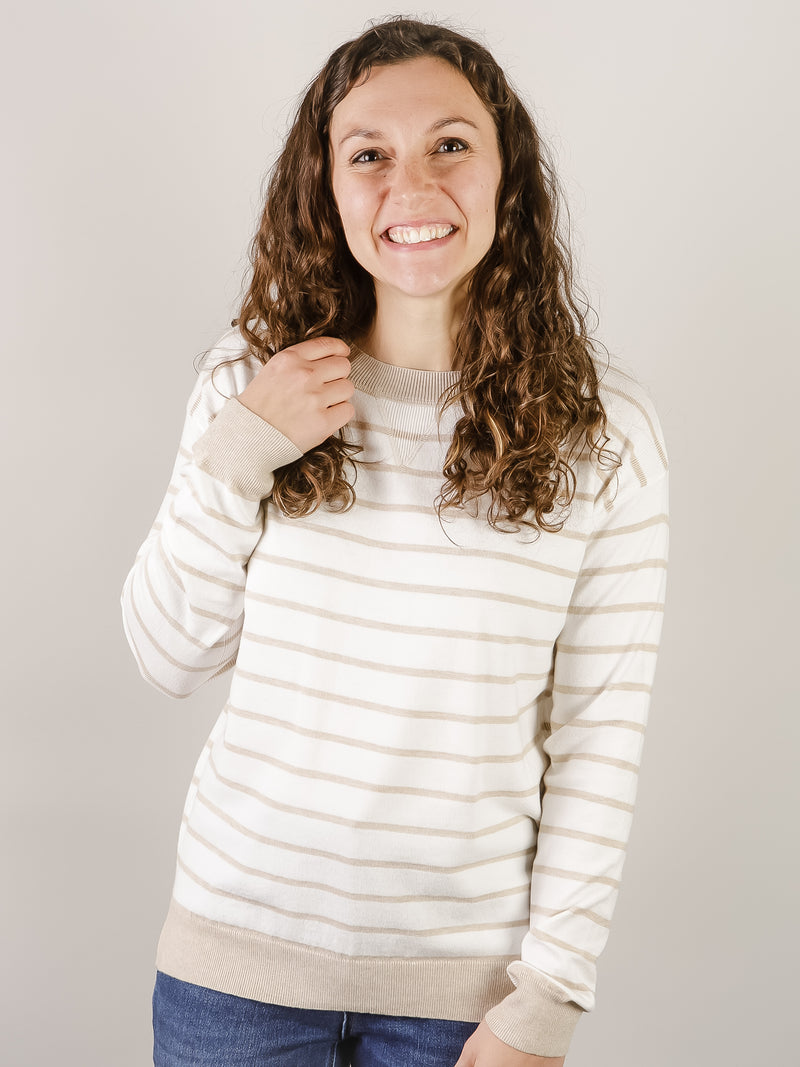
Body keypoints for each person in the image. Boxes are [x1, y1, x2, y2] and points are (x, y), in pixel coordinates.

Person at [121, 16, 668, 1067]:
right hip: (232, 975)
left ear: (508, 175)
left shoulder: (605, 433)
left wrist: (545, 996)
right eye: (368, 153)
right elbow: (165, 654)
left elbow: (600, 733)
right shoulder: (253, 380)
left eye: (450, 145)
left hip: (463, 1002)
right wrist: (240, 453)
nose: (410, 186)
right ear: (324, 186)